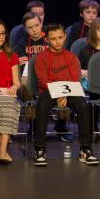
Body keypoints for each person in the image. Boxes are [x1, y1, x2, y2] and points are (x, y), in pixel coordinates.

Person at [33, 23, 99, 166]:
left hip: (69, 91)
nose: (57, 41)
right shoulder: (40, 58)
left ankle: (85, 150)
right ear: (47, 40)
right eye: (53, 38)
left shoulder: (71, 57)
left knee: (83, 105)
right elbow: (43, 81)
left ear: (65, 37)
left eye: (60, 37)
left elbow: (74, 80)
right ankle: (40, 150)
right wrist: (58, 95)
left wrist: (64, 95)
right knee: (42, 105)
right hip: (49, 91)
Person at [15, 12, 74, 142]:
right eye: (30, 27)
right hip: (30, 79)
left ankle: (61, 125)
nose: (35, 29)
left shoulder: (50, 39)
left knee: (61, 84)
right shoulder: (20, 44)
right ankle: (33, 125)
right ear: (25, 29)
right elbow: (18, 66)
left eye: (37, 25)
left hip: (52, 76)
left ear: (41, 23)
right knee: (25, 87)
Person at [0, 19, 21, 164]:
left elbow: (17, 82)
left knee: (9, 109)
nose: (1, 37)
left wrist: (14, 87)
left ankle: (1, 151)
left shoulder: (11, 55)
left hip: (6, 93)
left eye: (3, 34)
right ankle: (2, 152)